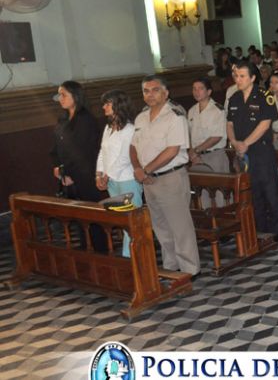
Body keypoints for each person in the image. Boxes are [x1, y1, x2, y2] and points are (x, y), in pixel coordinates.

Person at [130, 75, 201, 275]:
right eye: (146, 91)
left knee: (180, 227)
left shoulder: (175, 116)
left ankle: (190, 270)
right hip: (148, 180)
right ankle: (171, 267)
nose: (150, 94)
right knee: (160, 226)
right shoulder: (141, 117)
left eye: (155, 90)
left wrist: (145, 170)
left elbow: (172, 151)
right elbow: (133, 147)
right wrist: (138, 169)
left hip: (171, 178)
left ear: (166, 93)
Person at [227, 62, 278, 242]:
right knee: (253, 192)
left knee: (270, 191)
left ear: (252, 78)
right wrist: (234, 142)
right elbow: (229, 124)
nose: (238, 79)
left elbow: (265, 124)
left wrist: (246, 143)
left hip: (261, 151)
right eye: (236, 76)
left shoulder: (264, 96)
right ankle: (260, 229)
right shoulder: (234, 98)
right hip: (243, 153)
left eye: (242, 76)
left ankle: (275, 230)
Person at [51, 80, 107, 253]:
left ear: (75, 96)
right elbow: (57, 146)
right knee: (78, 214)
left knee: (91, 214)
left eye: (63, 94)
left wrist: (68, 172)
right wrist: (57, 166)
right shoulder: (63, 119)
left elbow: (81, 150)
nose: (60, 98)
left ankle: (100, 251)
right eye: (59, 95)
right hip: (69, 174)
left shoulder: (85, 119)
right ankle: (86, 248)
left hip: (85, 174)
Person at [96, 89, 142, 257]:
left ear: (119, 105)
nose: (104, 107)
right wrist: (99, 174)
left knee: (132, 221)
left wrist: (107, 175)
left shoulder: (130, 128)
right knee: (122, 221)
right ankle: (128, 255)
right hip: (112, 180)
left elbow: (125, 156)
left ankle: (133, 257)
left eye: (107, 103)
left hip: (127, 179)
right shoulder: (108, 128)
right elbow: (102, 152)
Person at [188, 77, 228, 174]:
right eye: (194, 89)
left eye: (200, 88)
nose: (197, 92)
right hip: (196, 158)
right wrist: (192, 152)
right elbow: (190, 134)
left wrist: (196, 151)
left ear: (209, 92)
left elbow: (216, 137)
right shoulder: (192, 110)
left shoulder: (217, 110)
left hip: (214, 156)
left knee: (218, 183)